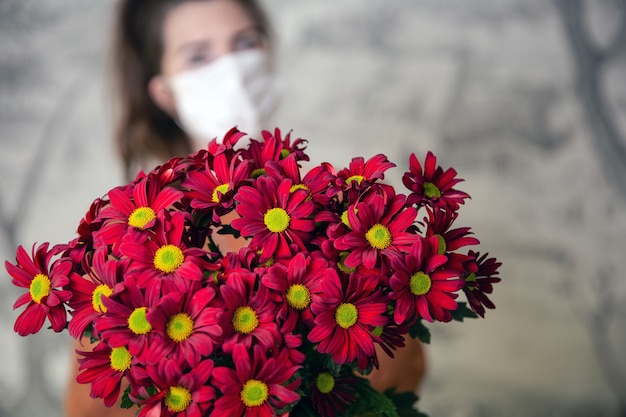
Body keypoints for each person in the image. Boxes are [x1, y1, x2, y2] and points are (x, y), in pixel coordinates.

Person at [63, 1, 425, 416]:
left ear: (269, 53)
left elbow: (400, 369)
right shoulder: (124, 251)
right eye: (199, 55)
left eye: (245, 43)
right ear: (164, 92)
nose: (232, 68)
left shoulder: (341, 212)